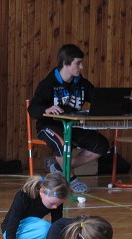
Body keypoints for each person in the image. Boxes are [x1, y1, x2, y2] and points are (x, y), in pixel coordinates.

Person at [28, 44, 110, 194]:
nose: (82, 67)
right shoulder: (48, 84)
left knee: (102, 145)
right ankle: (71, 178)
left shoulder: (82, 84)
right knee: (62, 144)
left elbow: (99, 99)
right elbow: (32, 108)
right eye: (78, 63)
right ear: (65, 63)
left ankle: (60, 168)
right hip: (48, 126)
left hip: (73, 126)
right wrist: (45, 109)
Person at [0, 173, 68, 239]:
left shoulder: (55, 200)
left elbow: (57, 226)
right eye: (52, 204)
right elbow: (11, 229)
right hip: (12, 231)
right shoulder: (23, 196)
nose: (55, 207)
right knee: (46, 228)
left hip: (31, 228)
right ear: (41, 192)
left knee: (54, 230)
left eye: (58, 204)